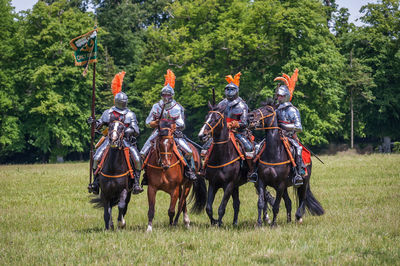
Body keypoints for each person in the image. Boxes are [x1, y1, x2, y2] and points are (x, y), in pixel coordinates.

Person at [88, 71, 144, 194]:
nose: (123, 103)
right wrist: (93, 122)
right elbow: (99, 125)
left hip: (124, 141)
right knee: (96, 157)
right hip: (109, 140)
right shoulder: (108, 112)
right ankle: (96, 182)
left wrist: (129, 131)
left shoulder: (130, 114)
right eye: (121, 102)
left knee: (137, 159)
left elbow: (136, 130)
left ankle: (136, 184)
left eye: (124, 102)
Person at [140, 69, 197, 182]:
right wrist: (153, 123)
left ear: (172, 95)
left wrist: (175, 125)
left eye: (168, 95)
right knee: (142, 152)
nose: (166, 97)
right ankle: (146, 174)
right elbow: (147, 122)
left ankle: (189, 170)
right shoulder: (156, 106)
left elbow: (182, 123)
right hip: (158, 132)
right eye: (164, 95)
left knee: (189, 151)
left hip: (173, 133)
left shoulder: (177, 107)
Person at [201, 72, 254, 166]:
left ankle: (251, 171)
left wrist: (235, 124)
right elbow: (215, 118)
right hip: (222, 132)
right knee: (205, 148)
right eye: (228, 89)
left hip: (237, 133)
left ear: (236, 91)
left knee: (248, 147)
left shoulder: (242, 105)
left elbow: (245, 123)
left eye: (232, 89)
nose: (229, 92)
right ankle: (204, 168)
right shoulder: (221, 104)